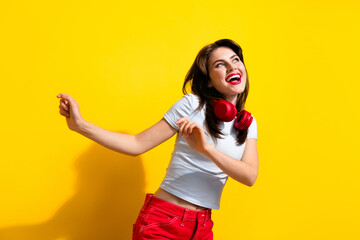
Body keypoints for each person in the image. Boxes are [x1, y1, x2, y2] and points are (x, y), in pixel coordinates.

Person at [57, 39, 258, 240]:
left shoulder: (247, 124)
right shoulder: (192, 105)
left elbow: (249, 176)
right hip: (164, 221)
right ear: (208, 80)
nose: (232, 66)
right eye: (220, 64)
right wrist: (81, 125)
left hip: (202, 227)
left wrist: (206, 149)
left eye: (235, 60)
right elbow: (136, 144)